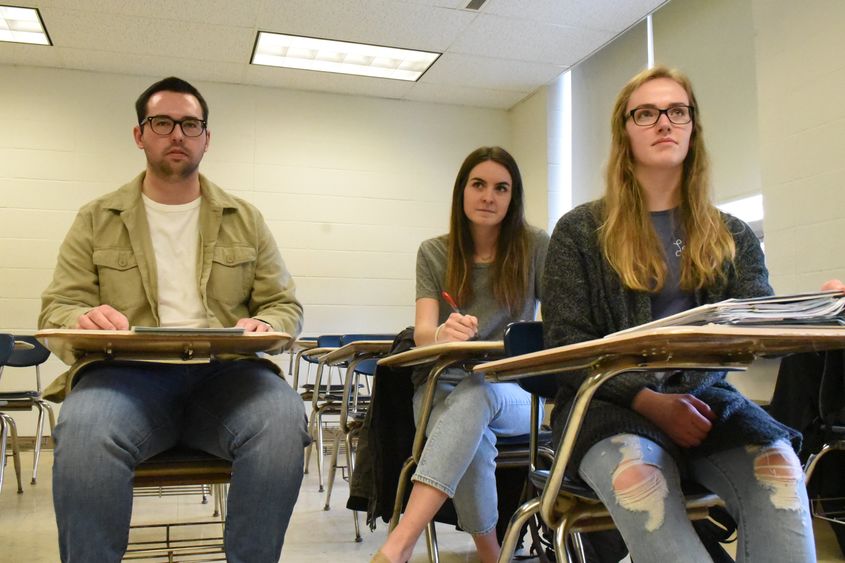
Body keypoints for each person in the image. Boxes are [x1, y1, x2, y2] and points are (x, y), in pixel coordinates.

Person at [542, 66, 816, 562]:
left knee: (780, 469)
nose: (664, 122)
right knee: (640, 484)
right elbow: (564, 345)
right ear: (624, 133)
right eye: (645, 113)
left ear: (693, 128)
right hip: (605, 408)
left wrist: (809, 313)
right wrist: (648, 400)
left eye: (677, 111)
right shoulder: (580, 231)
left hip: (707, 403)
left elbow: (753, 319)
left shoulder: (730, 233)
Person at [39, 76, 309, 563]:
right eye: (162, 123)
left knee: (284, 420)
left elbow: (284, 304)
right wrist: (84, 316)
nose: (177, 134)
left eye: (190, 124)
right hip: (124, 377)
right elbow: (58, 306)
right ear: (139, 135)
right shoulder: (97, 217)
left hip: (230, 376)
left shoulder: (245, 218)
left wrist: (266, 325)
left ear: (207, 138)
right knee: (84, 428)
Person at [373, 146, 549, 563]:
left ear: (513, 197)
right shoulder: (434, 252)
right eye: (479, 185)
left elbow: (558, 328)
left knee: (478, 392)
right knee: (473, 442)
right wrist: (442, 333)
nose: (489, 196)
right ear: (462, 192)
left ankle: (398, 546)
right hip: (439, 389)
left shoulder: (535, 246)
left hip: (513, 391)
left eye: (501, 188)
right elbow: (422, 334)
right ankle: (493, 556)